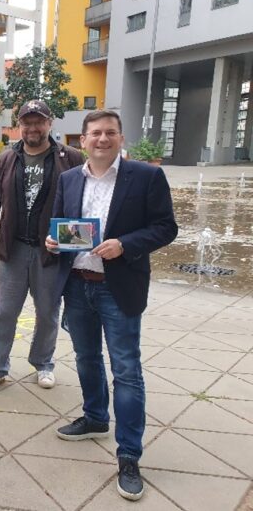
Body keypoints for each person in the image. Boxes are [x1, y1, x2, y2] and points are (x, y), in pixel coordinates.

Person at [45, 109, 177, 501]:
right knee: (86, 359)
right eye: (95, 133)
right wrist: (53, 242)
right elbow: (58, 223)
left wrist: (126, 245)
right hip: (78, 285)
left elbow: (166, 227)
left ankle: (129, 455)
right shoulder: (69, 178)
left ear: (121, 138)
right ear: (82, 140)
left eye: (110, 133)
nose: (102, 139)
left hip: (118, 287)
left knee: (126, 370)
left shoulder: (147, 177)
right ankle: (95, 417)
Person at [0, 100, 84, 393]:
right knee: (3, 312)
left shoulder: (70, 157)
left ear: (50, 123)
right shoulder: (8, 158)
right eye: (27, 122)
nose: (33, 127)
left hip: (51, 251)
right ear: (19, 125)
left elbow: (83, 204)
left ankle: (43, 363)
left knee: (48, 311)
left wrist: (70, 242)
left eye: (39, 121)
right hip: (14, 248)